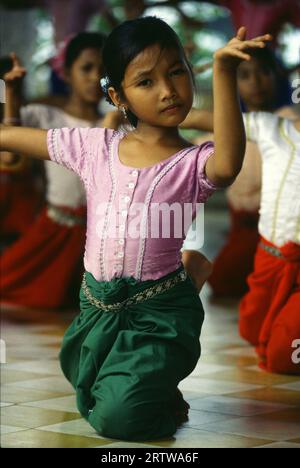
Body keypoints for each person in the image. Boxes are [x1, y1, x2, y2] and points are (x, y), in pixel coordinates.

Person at [0, 16, 271, 441]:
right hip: (95, 305)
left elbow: (231, 158)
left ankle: (185, 283)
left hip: (158, 313)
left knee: (119, 421)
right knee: (84, 384)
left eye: (177, 72)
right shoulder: (94, 147)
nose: (168, 90)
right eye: (146, 82)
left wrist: (223, 71)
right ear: (117, 95)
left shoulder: (196, 163)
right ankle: (156, 373)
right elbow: (12, 137)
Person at [0, 32, 120, 311]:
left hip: (101, 239)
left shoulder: (119, 122)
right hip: (53, 228)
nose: (95, 78)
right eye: (86, 68)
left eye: (103, 71)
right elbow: (8, 152)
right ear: (66, 73)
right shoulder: (47, 117)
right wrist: (13, 95)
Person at [181, 47, 298, 297]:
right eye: (244, 75)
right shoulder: (228, 125)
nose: (255, 82)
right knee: (224, 283)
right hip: (241, 232)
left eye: (263, 72)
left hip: (281, 235)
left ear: (277, 75)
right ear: (231, 82)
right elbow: (191, 141)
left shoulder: (289, 123)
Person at [238, 112, 300, 375]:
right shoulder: (273, 127)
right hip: (270, 255)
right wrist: (223, 71)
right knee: (250, 329)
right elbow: (206, 119)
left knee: (284, 356)